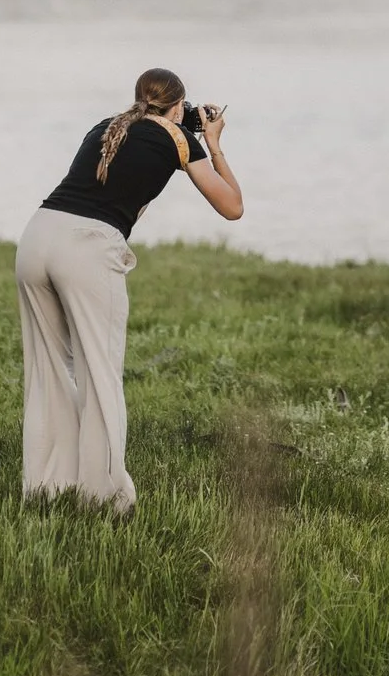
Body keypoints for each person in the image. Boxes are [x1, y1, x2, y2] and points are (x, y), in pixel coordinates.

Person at [17, 67, 244, 511]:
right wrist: (214, 142)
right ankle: (104, 499)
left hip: (37, 236)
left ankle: (46, 490)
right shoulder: (180, 138)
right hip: (84, 247)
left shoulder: (107, 128)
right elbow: (232, 206)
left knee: (48, 371)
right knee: (99, 372)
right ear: (177, 107)